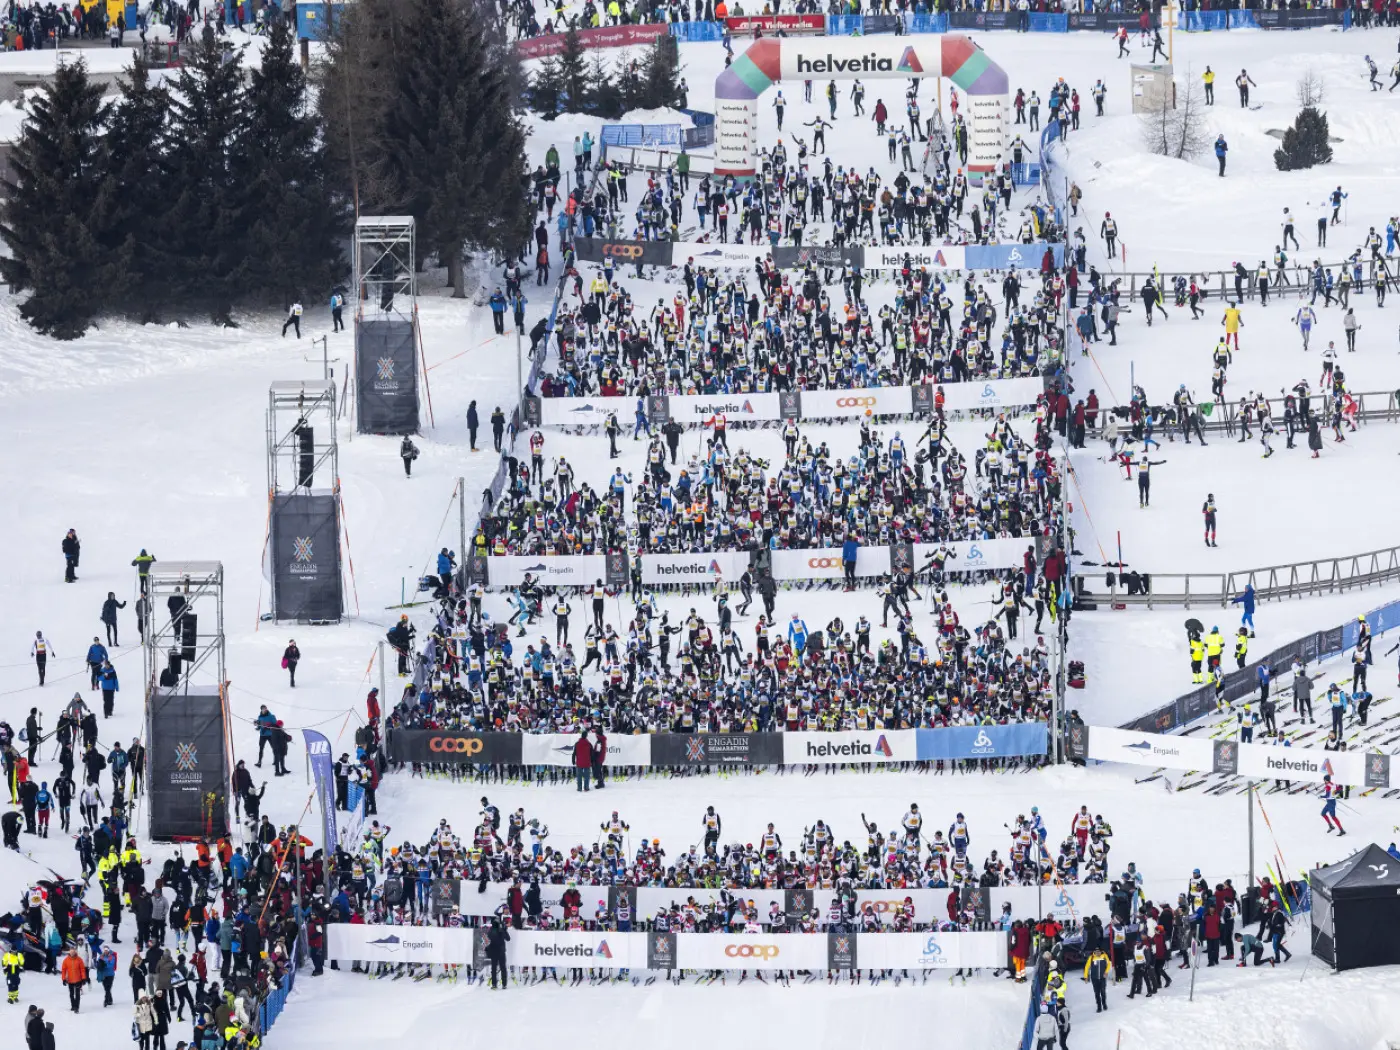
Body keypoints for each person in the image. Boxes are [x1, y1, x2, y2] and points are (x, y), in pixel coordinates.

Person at [485, 918, 509, 989]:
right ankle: (504, 984)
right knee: (503, 968)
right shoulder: (500, 930)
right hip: (501, 952)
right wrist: (504, 930)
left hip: (494, 951)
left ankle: (494, 984)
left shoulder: (490, 931)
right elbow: (508, 938)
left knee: (494, 968)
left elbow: (488, 939)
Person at [61, 946, 86, 1012]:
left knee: (77, 994)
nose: (72, 953)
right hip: (70, 980)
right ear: (69, 952)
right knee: (71, 994)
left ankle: (77, 1007)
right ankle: (73, 1006)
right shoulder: (66, 960)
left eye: (73, 952)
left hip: (78, 980)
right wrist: (63, 979)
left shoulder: (79, 959)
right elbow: (63, 970)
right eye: (71, 952)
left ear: (75, 952)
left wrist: (83, 978)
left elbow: (82, 969)